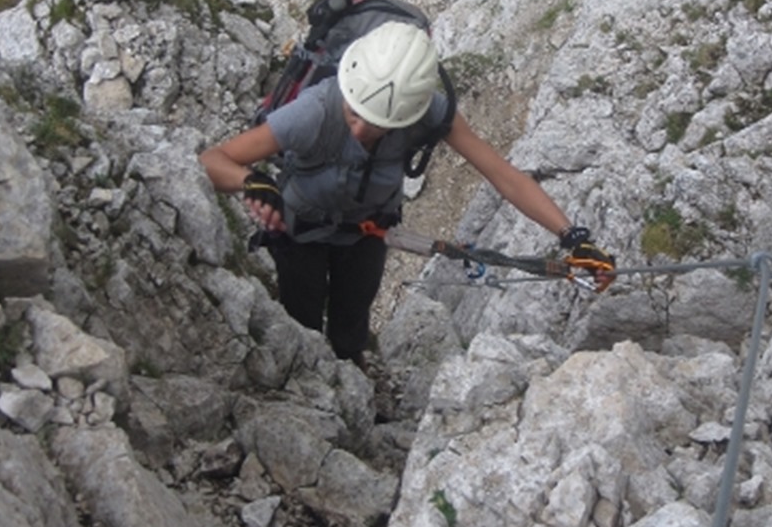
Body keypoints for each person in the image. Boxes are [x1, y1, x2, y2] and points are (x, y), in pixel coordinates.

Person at [200, 20, 615, 362]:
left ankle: (352, 379)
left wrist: (573, 237)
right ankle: (310, 384)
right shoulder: (315, 110)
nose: (360, 129)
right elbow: (214, 160)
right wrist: (253, 181)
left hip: (367, 234)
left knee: (351, 325)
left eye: (376, 122)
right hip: (298, 232)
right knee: (300, 324)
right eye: (354, 113)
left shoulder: (426, 114)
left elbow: (502, 174)